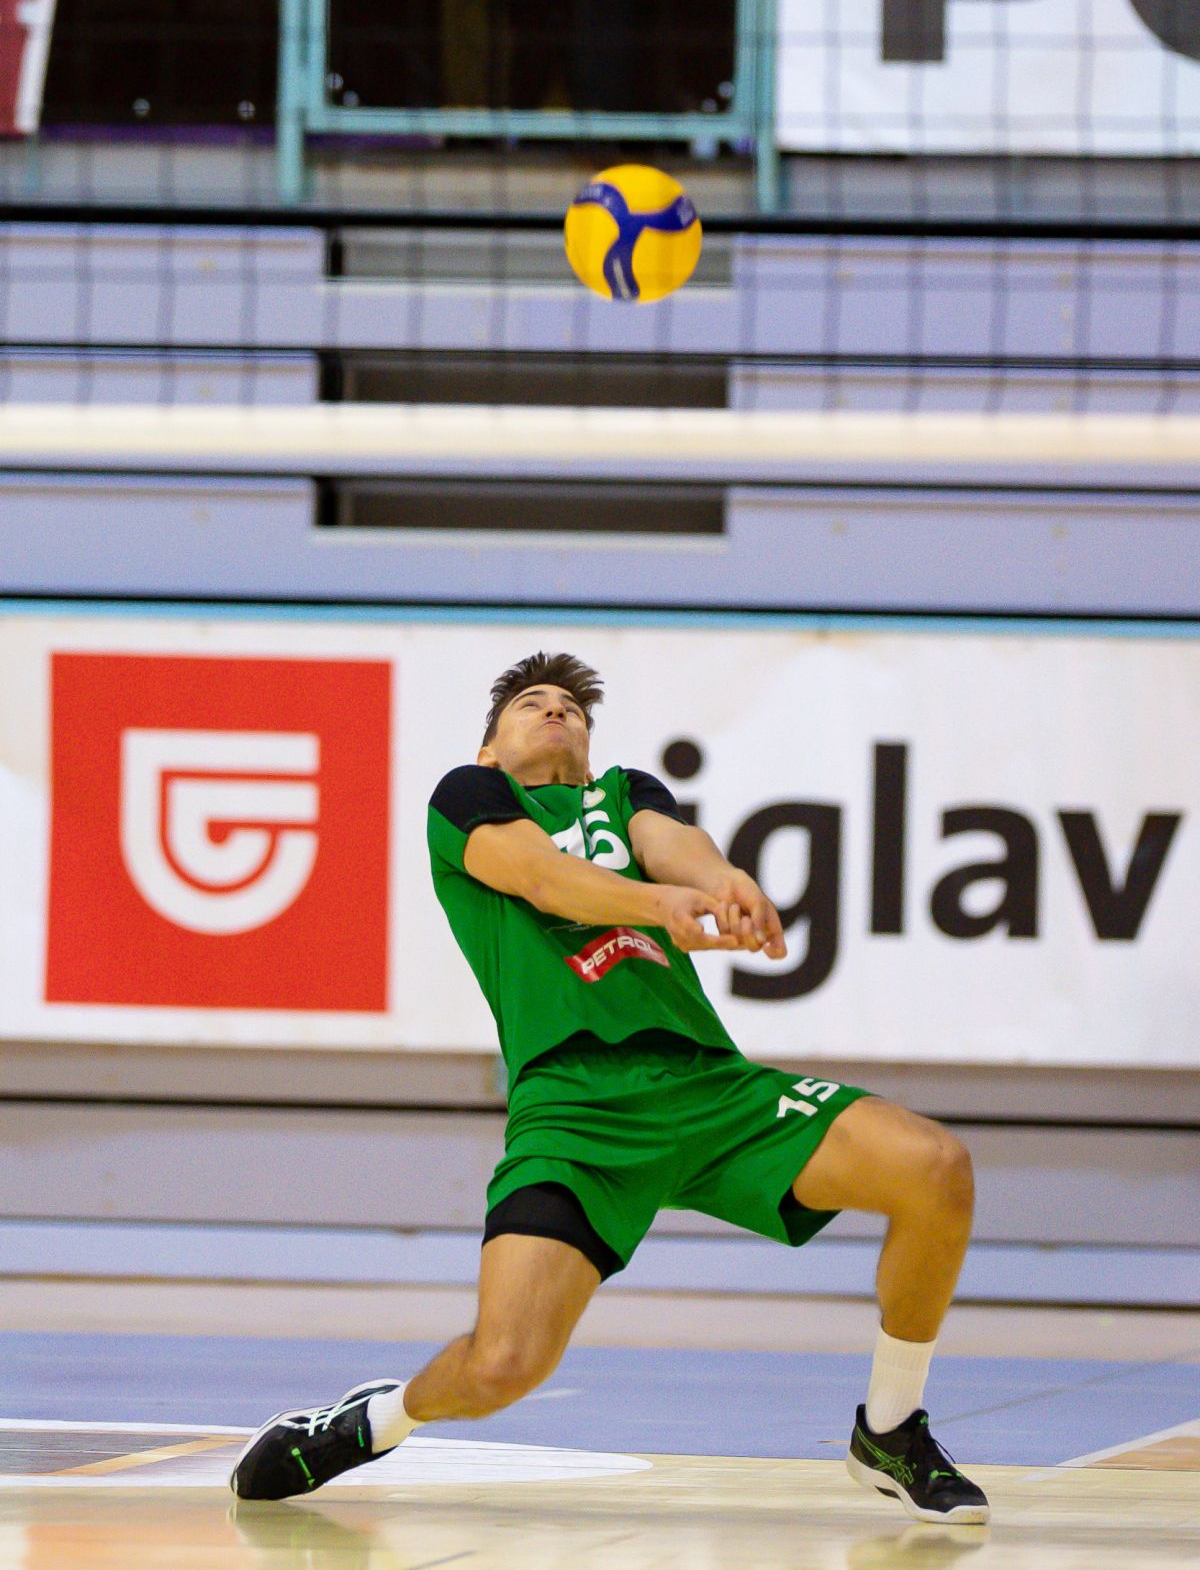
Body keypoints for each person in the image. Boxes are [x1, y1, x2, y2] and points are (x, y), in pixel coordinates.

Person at [231, 651, 988, 1525]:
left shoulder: (623, 795)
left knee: (934, 1167)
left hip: (709, 1087)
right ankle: (374, 1422)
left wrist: (723, 884)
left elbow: (678, 849)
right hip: (574, 1108)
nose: (556, 711)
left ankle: (890, 1428)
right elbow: (544, 878)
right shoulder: (469, 798)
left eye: (572, 708)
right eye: (531, 703)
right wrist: (658, 905)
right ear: (490, 747)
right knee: (503, 1365)